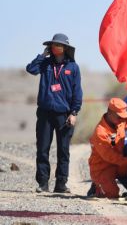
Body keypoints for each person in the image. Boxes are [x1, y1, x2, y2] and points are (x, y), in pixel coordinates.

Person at [26, 33, 82, 193]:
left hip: (64, 115)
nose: (54, 47)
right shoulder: (45, 63)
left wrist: (74, 112)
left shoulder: (73, 67)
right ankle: (43, 183)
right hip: (45, 113)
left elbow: (77, 92)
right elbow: (30, 69)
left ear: (64, 48)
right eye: (52, 45)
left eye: (58, 45)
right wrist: (43, 55)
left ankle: (61, 184)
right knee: (42, 148)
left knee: (63, 150)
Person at [88, 98, 127, 198]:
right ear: (110, 113)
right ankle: (96, 186)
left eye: (123, 117)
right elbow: (109, 156)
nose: (122, 119)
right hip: (103, 167)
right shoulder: (100, 132)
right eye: (119, 116)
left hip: (118, 164)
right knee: (112, 194)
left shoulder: (119, 122)